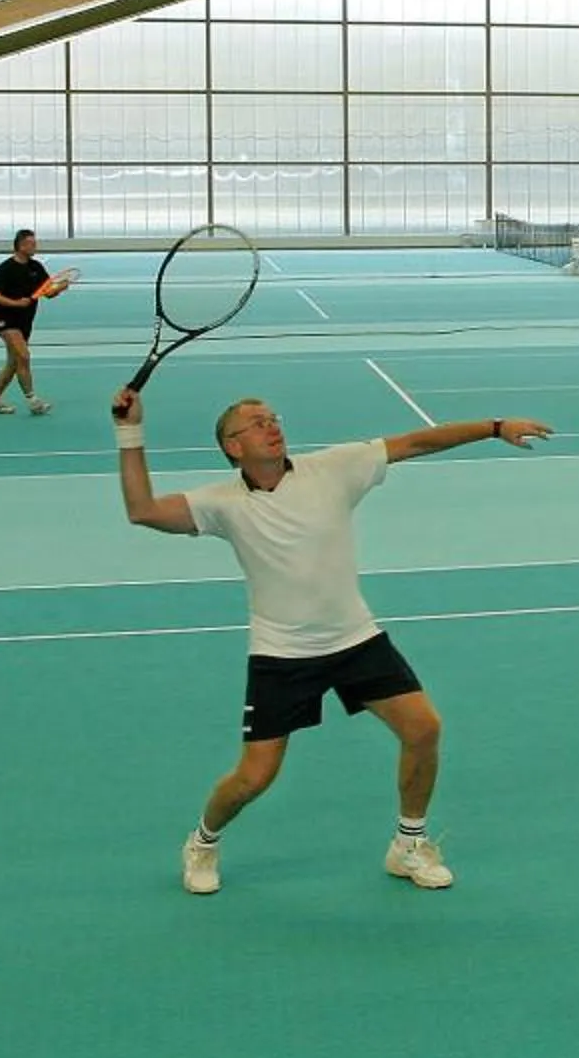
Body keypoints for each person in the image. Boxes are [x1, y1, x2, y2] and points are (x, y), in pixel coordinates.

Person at [111, 385, 554, 898]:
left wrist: (495, 427)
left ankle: (408, 844)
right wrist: (130, 432)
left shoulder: (335, 468)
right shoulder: (219, 504)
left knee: (424, 729)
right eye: (256, 422)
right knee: (254, 778)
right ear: (233, 446)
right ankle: (204, 841)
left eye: (272, 416)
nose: (271, 425)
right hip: (282, 655)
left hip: (355, 639)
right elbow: (142, 510)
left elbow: (414, 443)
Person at [0, 229, 55, 414]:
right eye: (31, 243)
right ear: (21, 245)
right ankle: (33, 401)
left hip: (25, 322)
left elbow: (48, 291)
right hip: (6, 321)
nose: (35, 246)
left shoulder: (36, 268)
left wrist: (59, 288)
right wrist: (16, 303)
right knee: (24, 356)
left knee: (14, 362)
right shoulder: (5, 268)